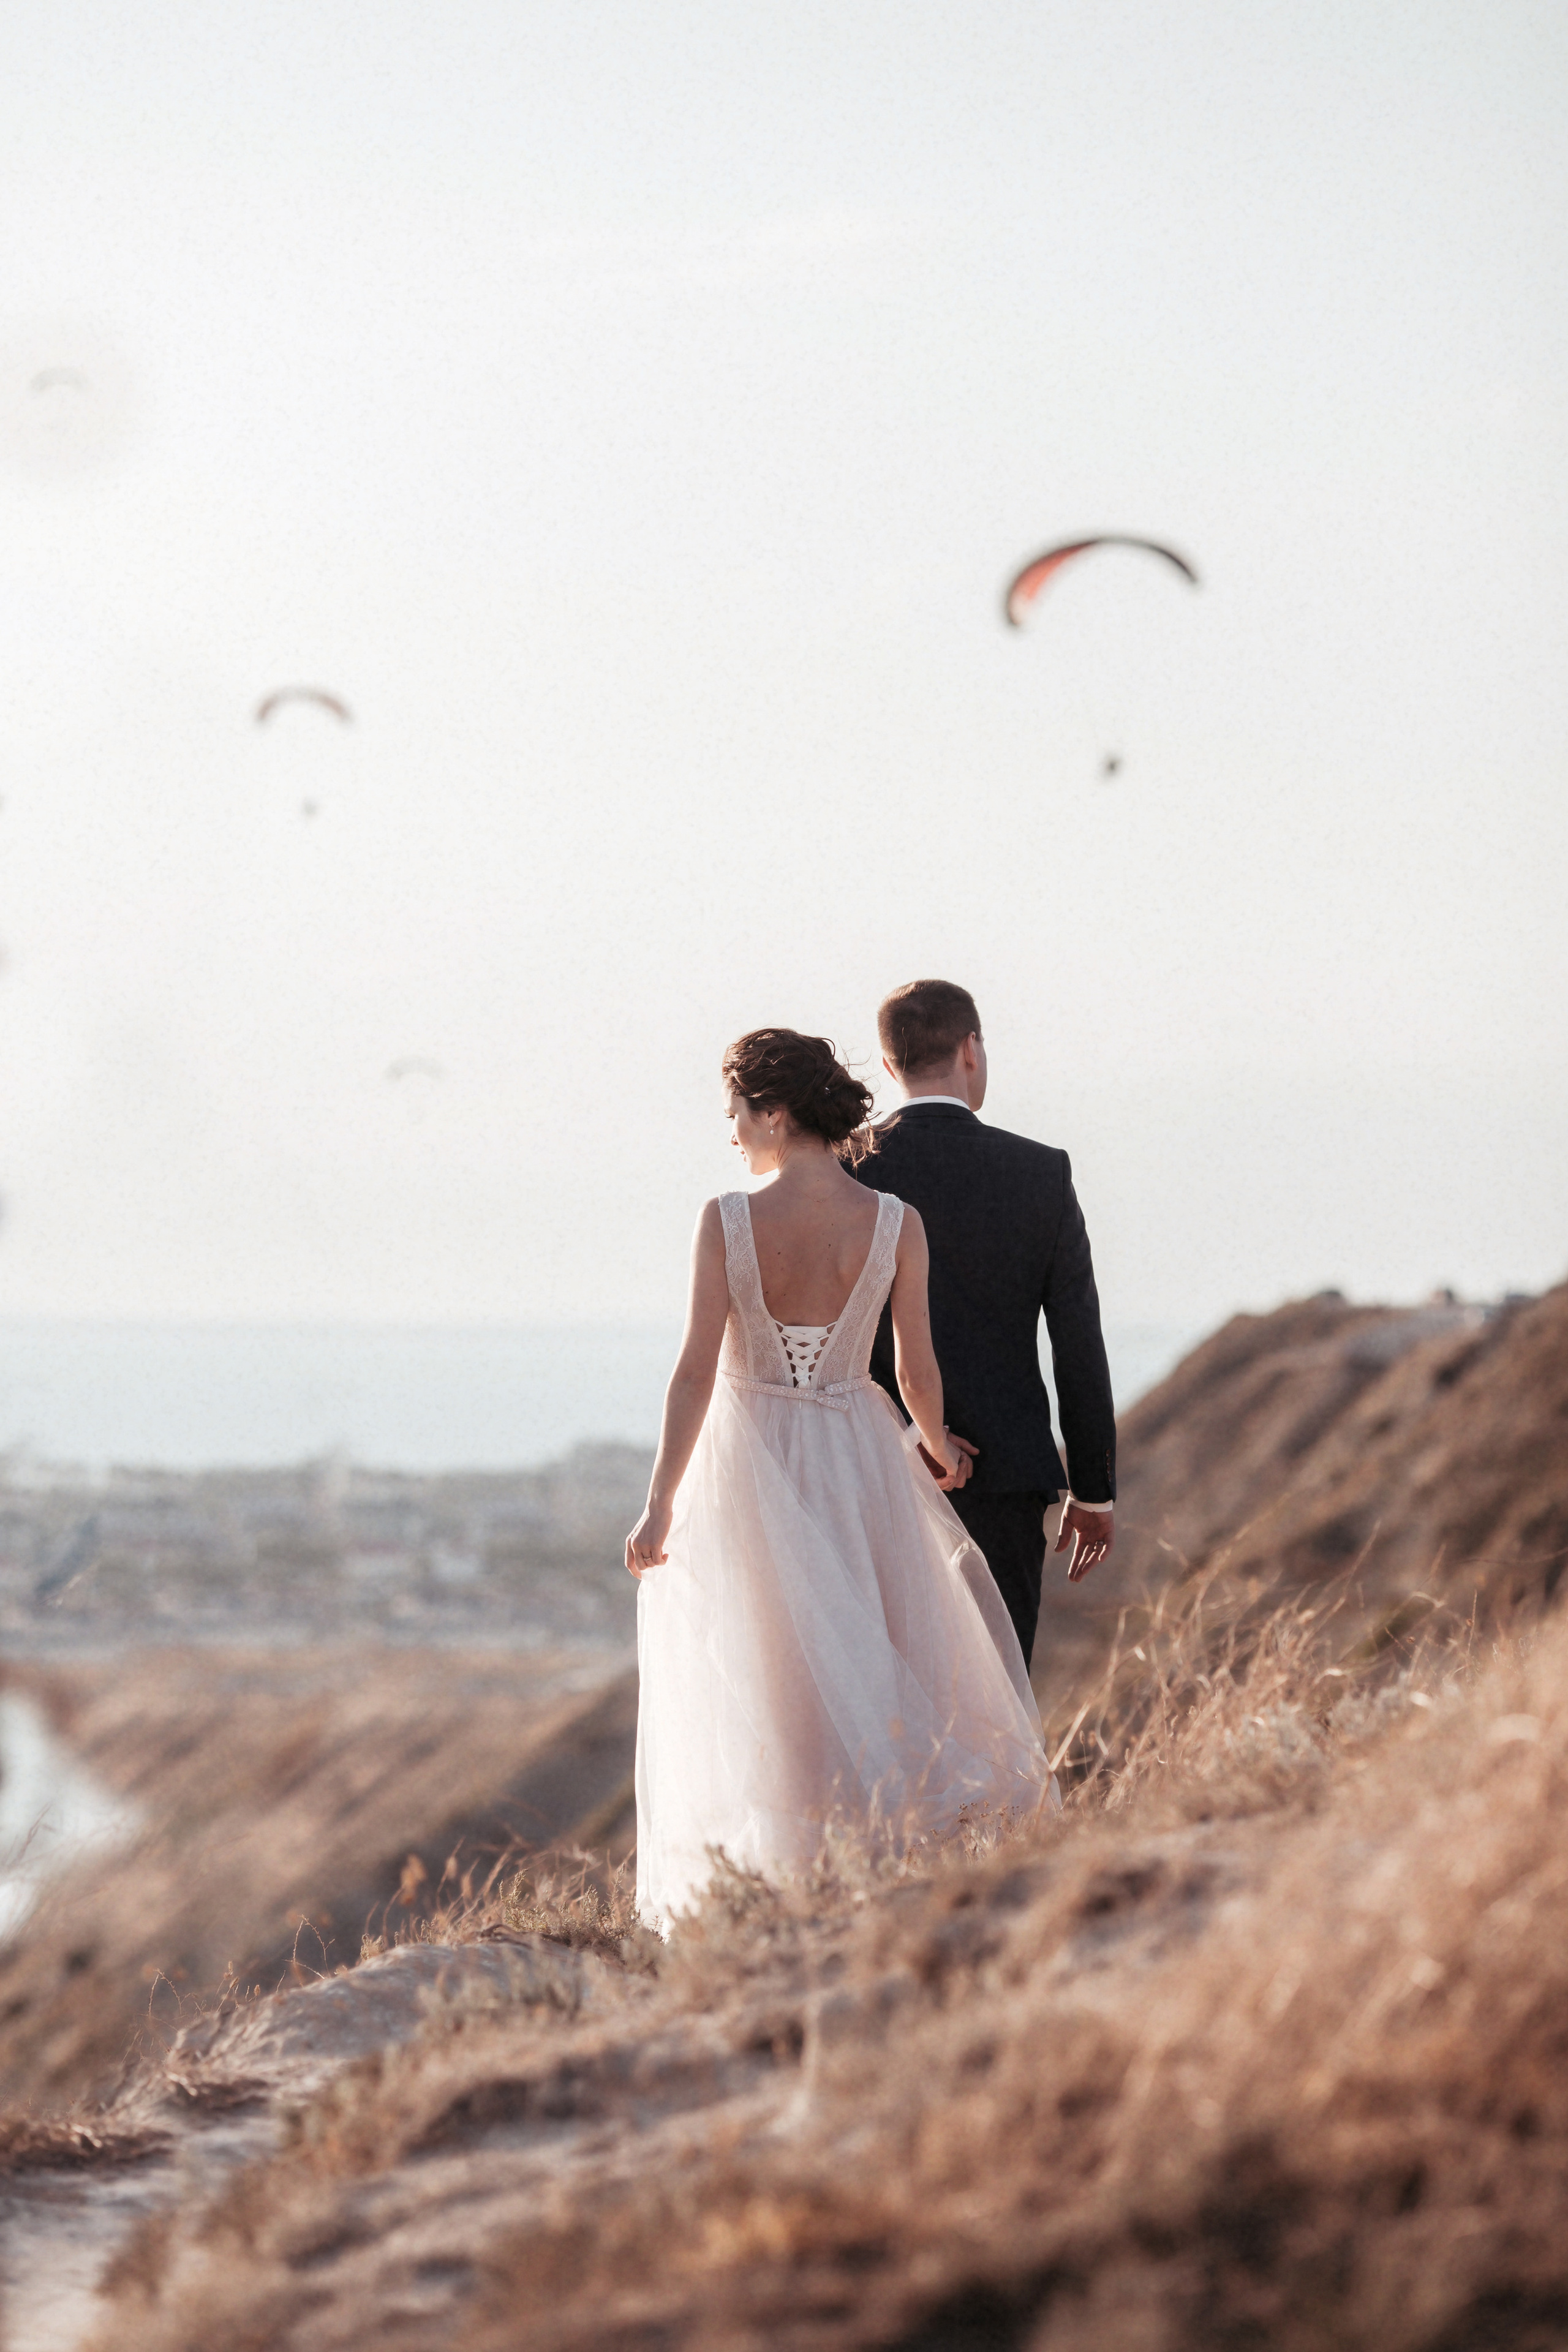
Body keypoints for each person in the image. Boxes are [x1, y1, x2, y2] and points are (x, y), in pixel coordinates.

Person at [627, 1028, 1053, 1936]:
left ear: (774, 1112)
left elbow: (696, 1371)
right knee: (868, 1648)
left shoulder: (728, 1220)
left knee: (767, 1666)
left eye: (737, 1112)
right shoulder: (896, 1222)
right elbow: (918, 1372)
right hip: (860, 1451)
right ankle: (873, 1867)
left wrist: (660, 1502)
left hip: (753, 1461)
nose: (733, 1132)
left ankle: (786, 1887)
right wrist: (936, 1450)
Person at [854, 979, 1116, 1668]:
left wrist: (905, 1436)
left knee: (884, 1699)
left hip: (872, 1475)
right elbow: (1077, 1344)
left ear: (889, 1067)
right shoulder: (1040, 1174)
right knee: (994, 1700)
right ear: (971, 1049)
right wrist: (1093, 1489)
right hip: (1003, 1482)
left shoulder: (844, 1167)